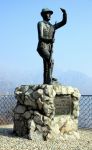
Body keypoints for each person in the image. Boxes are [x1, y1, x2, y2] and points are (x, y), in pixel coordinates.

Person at [37, 8, 67, 84]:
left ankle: (46, 80)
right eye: (48, 13)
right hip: (42, 47)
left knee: (46, 65)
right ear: (43, 15)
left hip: (49, 48)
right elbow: (40, 37)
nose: (50, 15)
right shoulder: (40, 23)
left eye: (50, 14)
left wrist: (64, 14)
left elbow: (63, 22)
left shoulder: (52, 26)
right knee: (51, 61)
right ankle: (49, 78)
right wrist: (50, 40)